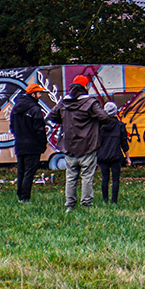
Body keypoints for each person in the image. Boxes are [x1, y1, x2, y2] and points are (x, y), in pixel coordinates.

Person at [46, 74, 113, 212]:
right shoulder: (90, 103)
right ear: (86, 87)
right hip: (88, 145)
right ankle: (86, 204)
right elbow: (105, 117)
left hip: (70, 146)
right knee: (87, 176)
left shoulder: (64, 102)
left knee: (71, 177)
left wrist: (64, 120)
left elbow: (52, 115)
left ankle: (70, 205)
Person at [9, 82, 48, 202]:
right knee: (29, 173)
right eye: (39, 93)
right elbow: (39, 129)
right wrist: (42, 143)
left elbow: (12, 127)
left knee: (21, 172)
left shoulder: (16, 109)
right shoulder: (35, 110)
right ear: (33, 94)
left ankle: (20, 196)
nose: (40, 95)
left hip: (20, 144)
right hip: (33, 146)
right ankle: (25, 198)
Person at [97, 101, 130, 205]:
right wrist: (127, 157)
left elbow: (96, 142)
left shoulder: (100, 126)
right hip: (116, 155)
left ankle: (105, 200)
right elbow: (124, 143)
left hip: (102, 156)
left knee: (104, 178)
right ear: (115, 112)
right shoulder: (120, 125)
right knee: (115, 179)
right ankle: (114, 201)